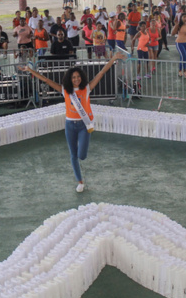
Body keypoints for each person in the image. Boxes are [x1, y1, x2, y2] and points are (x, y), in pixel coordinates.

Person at [18, 52, 124, 193]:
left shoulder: (86, 89)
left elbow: (102, 72)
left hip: (84, 126)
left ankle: (81, 168)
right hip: (70, 126)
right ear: (70, 79)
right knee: (73, 155)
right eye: (73, 77)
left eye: (78, 77)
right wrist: (30, 70)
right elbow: (46, 80)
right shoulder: (65, 90)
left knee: (82, 155)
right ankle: (80, 181)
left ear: (82, 77)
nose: (76, 79)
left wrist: (113, 59)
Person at [172, 12, 186, 77]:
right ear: (181, 18)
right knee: (184, 55)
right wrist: (175, 28)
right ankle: (185, 70)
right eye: (184, 17)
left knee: (183, 56)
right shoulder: (178, 25)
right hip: (179, 42)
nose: (185, 18)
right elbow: (172, 33)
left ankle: (180, 70)